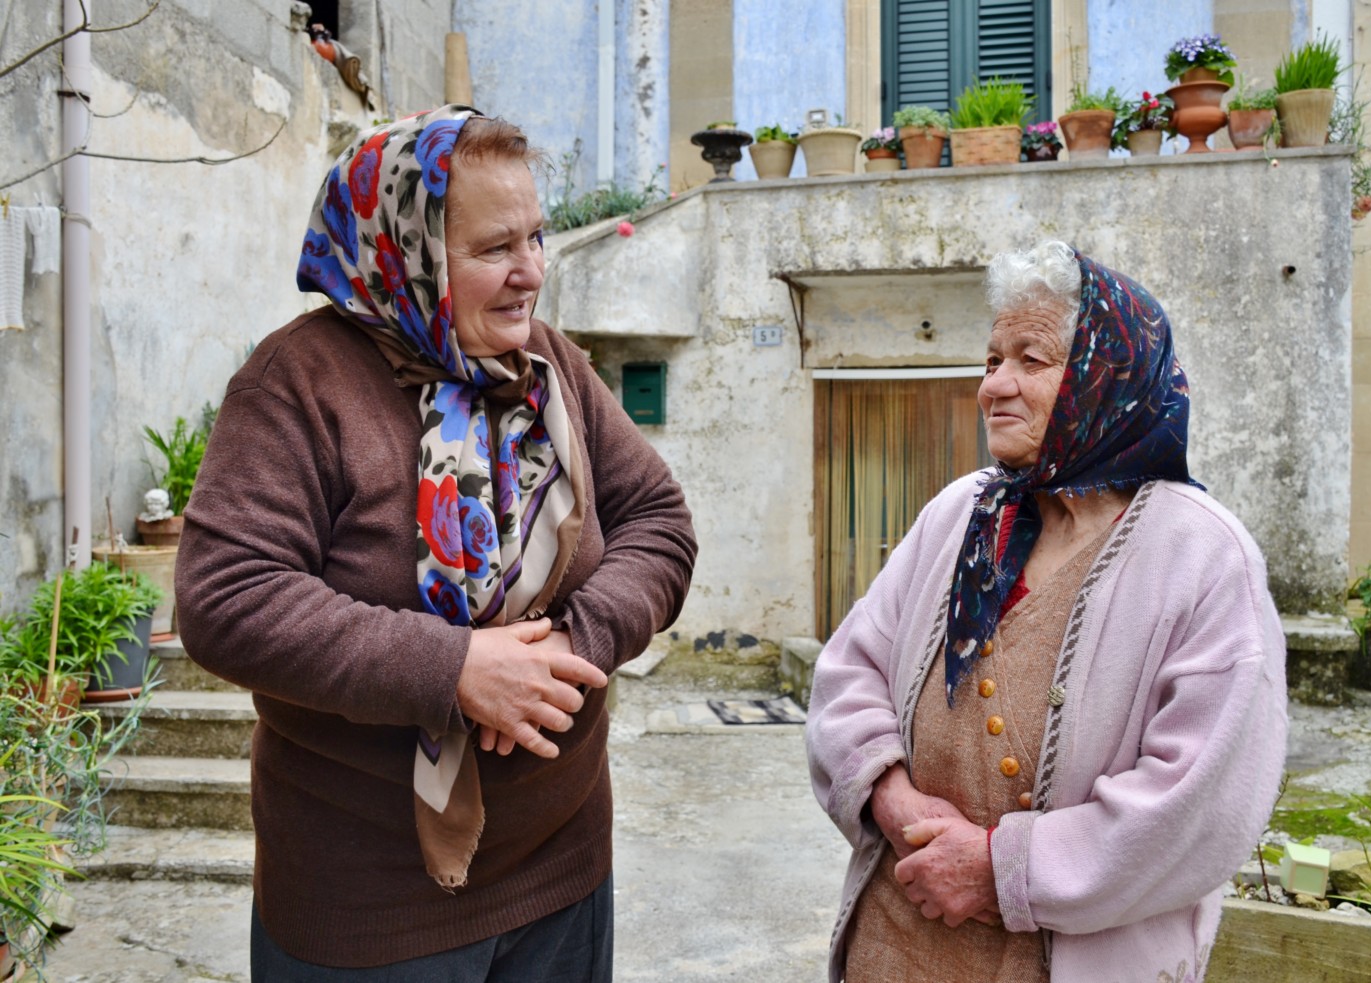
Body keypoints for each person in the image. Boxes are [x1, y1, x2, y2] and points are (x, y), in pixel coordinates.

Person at [176, 106, 697, 981]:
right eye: (496, 249)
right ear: (408, 254)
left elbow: (660, 522)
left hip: (562, 869)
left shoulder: (550, 370)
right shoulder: (299, 385)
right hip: (372, 907)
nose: (532, 272)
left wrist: (578, 642)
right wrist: (453, 668)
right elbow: (228, 597)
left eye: (537, 237)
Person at [805, 241, 1287, 983]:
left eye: (1030, 360)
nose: (994, 384)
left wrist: (999, 869)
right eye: (992, 358)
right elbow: (851, 670)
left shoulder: (1202, 556)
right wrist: (890, 800)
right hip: (897, 947)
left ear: (1108, 375)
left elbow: (1197, 804)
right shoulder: (961, 516)